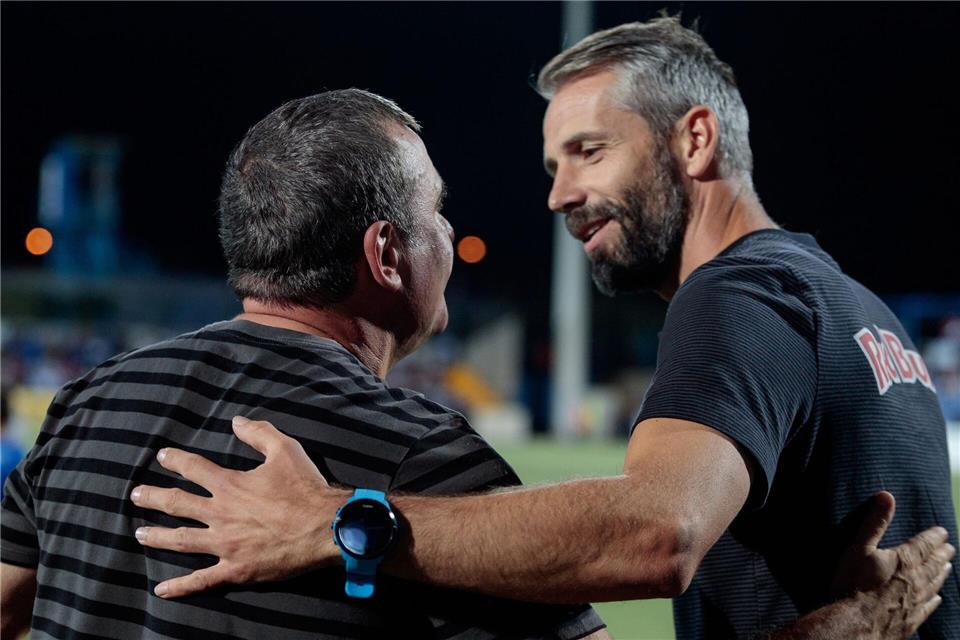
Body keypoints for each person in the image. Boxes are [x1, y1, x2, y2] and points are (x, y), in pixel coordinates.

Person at [125, 17, 958, 639]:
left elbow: (655, 533)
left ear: (695, 138)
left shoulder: (735, 294)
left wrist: (335, 522)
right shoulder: (853, 304)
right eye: (553, 166)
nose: (559, 194)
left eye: (590, 151)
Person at [0, 89, 608, 640]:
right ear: (388, 253)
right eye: (438, 210)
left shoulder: (87, 402)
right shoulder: (420, 459)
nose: (449, 230)